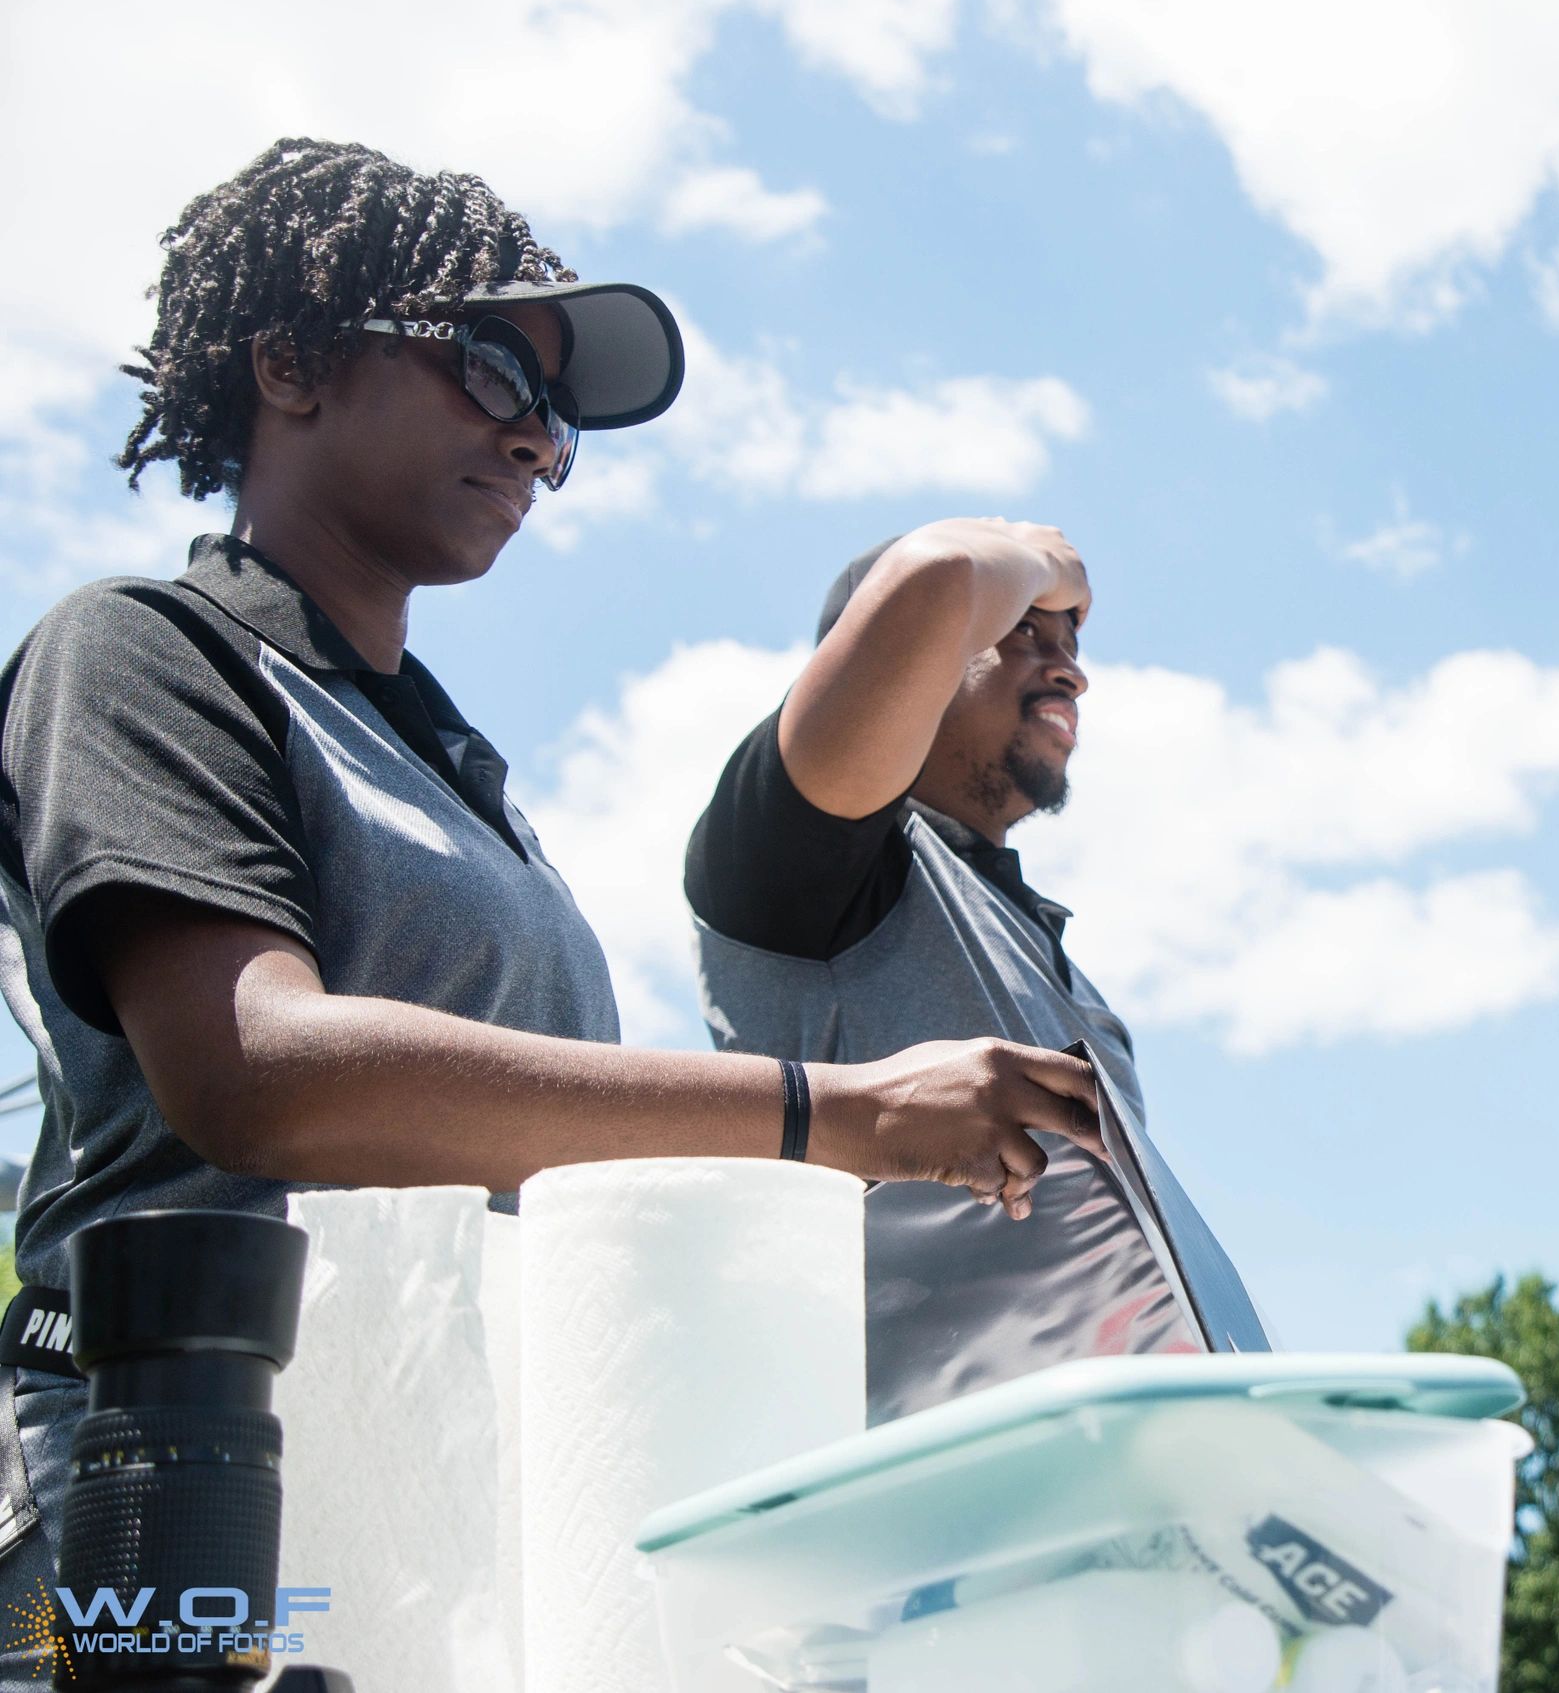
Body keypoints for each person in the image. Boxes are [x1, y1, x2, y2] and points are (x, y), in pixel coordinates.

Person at [0, 139, 1099, 1671]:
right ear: (291, 361)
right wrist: (830, 1114)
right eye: (492, 371)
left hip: (426, 1531)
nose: (537, 444)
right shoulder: (137, 656)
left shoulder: (465, 784)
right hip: (171, 1526)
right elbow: (258, 1071)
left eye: (560, 422)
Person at [687, 521, 1196, 1424]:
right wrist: (1048, 559)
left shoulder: (1081, 993)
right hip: (899, 1498)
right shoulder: (814, 865)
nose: (1070, 668)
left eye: (1072, 644)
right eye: (1024, 631)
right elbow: (937, 578)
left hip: (1103, 1484)